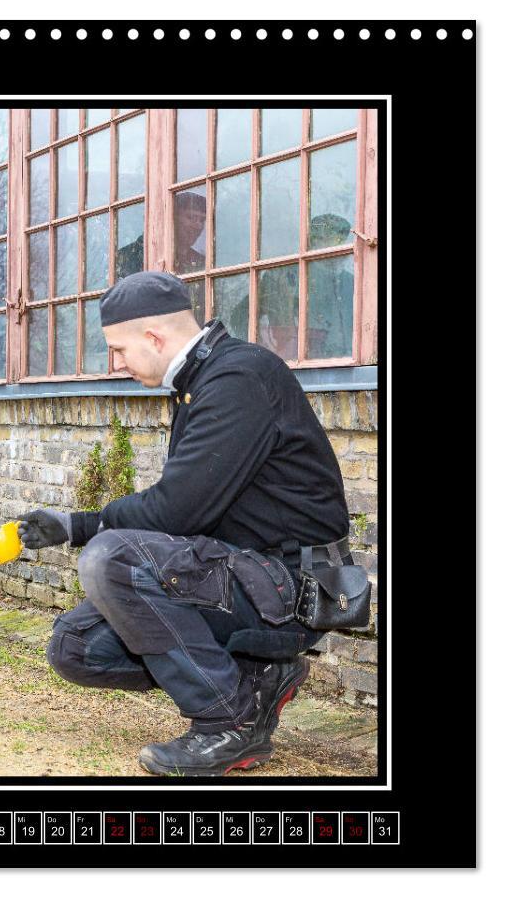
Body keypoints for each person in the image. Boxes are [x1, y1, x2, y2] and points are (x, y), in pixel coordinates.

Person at [18, 271, 351, 776]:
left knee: (112, 557)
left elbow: (176, 512)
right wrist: (79, 525)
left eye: (119, 349)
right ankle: (260, 676)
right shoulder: (200, 382)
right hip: (246, 578)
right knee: (76, 648)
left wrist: (80, 524)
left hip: (291, 589)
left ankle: (228, 723)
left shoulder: (238, 379)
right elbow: (188, 518)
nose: (116, 362)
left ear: (154, 337)